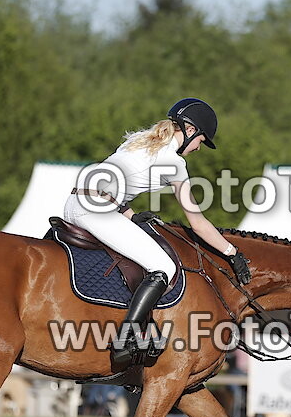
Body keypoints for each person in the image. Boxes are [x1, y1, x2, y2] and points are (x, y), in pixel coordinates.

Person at [63, 98, 252, 369]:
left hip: (75, 203)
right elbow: (197, 223)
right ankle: (126, 340)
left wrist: (129, 215)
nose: (199, 148)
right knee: (163, 266)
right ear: (189, 131)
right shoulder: (174, 163)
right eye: (201, 141)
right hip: (96, 212)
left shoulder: (139, 139)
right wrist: (231, 252)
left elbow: (110, 182)